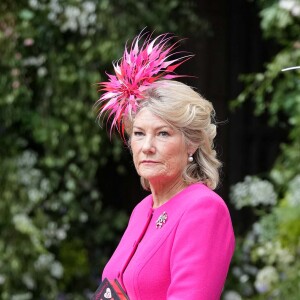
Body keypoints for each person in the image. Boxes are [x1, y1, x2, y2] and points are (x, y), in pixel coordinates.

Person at [95, 31, 235, 300]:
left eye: (163, 134)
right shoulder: (142, 210)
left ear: (191, 143)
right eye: (139, 133)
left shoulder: (203, 209)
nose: (147, 146)